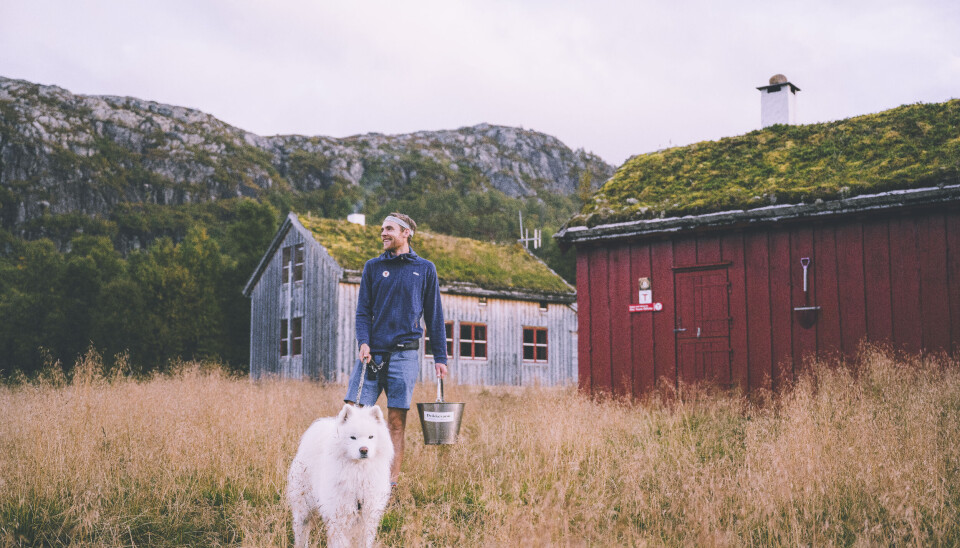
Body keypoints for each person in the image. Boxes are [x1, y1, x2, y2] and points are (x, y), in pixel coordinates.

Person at [345, 212, 448, 486]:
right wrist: (363, 341)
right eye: (382, 229)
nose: (383, 233)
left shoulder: (425, 269)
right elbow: (363, 311)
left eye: (389, 229)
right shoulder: (373, 267)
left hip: (405, 355)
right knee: (354, 415)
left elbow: (434, 316)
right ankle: (354, 481)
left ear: (406, 233)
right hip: (372, 355)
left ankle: (388, 486)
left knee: (396, 422)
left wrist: (440, 357)